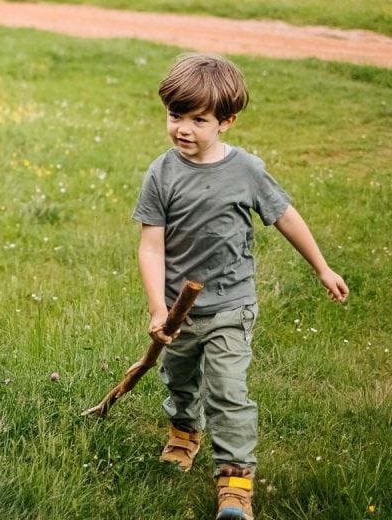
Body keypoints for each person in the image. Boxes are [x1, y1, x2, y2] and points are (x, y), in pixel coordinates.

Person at [132, 54, 348, 519]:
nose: (183, 129)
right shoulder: (161, 173)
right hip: (178, 311)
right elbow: (151, 247)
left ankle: (234, 485)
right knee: (180, 378)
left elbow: (285, 216)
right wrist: (157, 310)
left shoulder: (247, 170)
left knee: (228, 390)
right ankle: (185, 431)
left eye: (198, 120)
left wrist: (322, 268)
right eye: (175, 116)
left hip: (232, 305)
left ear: (227, 121)